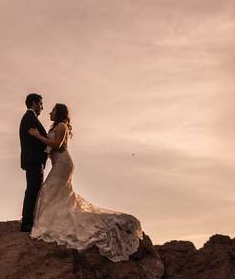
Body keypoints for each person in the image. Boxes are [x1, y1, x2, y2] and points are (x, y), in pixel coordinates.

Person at [27, 103, 142, 262]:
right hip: (58, 164)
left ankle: (105, 231)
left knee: (48, 190)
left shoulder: (61, 126)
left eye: (52, 110)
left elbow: (58, 145)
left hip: (64, 164)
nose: (49, 112)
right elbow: (49, 150)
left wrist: (38, 136)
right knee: (57, 195)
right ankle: (51, 220)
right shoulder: (55, 127)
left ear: (59, 113)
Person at [18, 93, 49, 233]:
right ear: (34, 103)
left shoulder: (30, 118)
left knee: (34, 188)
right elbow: (34, 141)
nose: (42, 107)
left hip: (33, 160)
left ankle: (29, 220)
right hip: (34, 160)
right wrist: (48, 149)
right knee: (33, 189)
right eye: (41, 104)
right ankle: (27, 223)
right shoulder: (30, 119)